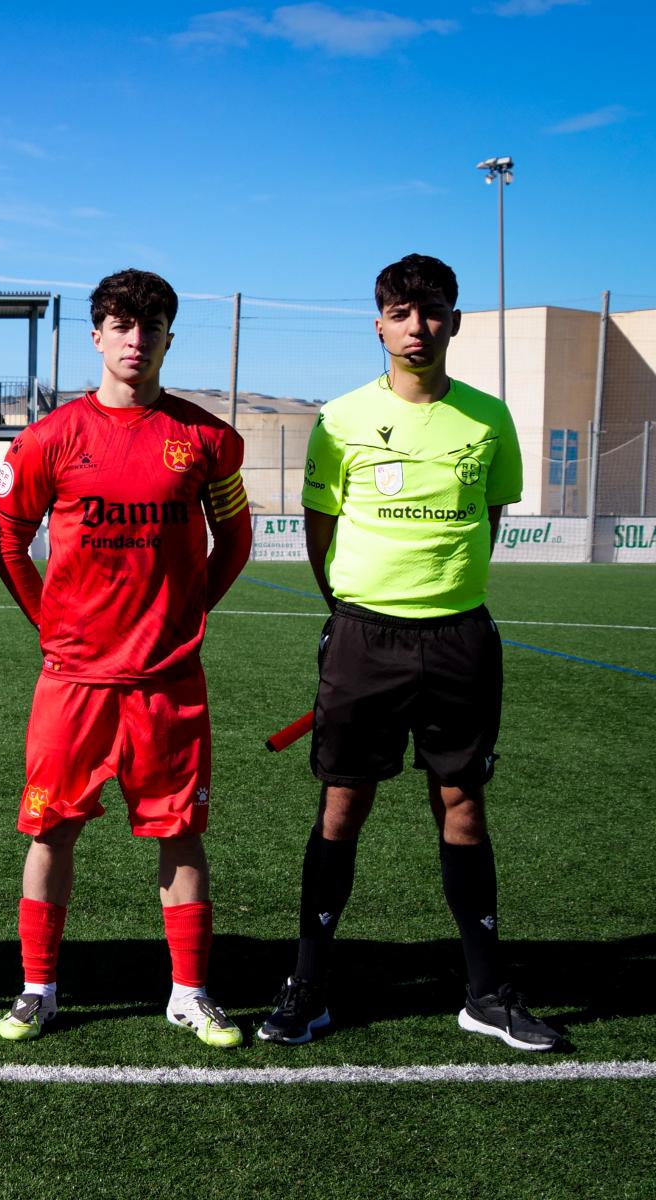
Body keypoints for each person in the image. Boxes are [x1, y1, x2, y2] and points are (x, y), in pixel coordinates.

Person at [258, 253, 566, 1051]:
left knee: (463, 805)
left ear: (453, 322)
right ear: (379, 326)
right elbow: (320, 528)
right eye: (401, 313)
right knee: (342, 805)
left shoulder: (488, 420)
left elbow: (489, 519)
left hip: (459, 638)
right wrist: (351, 610)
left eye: (431, 312)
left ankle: (485, 993)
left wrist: (439, 597)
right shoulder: (341, 419)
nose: (417, 327)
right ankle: (308, 985)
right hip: (365, 636)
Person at [0, 268, 251, 1046]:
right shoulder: (50, 438)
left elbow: (235, 541)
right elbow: (9, 540)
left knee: (182, 834)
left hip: (168, 682)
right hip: (74, 681)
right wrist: (49, 623)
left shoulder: (207, 440)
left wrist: (191, 612)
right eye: (121, 325)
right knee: (50, 832)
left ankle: (189, 993)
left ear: (168, 337)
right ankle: (38, 988)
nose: (136, 340)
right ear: (97, 336)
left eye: (151, 327)